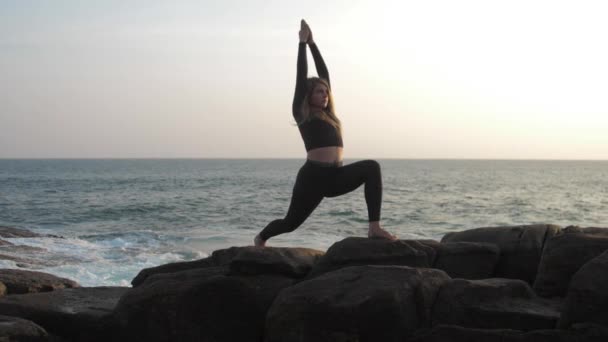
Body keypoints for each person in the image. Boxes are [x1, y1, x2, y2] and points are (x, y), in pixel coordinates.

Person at [254, 19, 397, 247]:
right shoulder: (303, 114)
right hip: (312, 178)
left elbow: (325, 74)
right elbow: (301, 78)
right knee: (290, 223)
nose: (325, 95)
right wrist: (302, 44)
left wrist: (314, 43)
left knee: (372, 168)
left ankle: (374, 227)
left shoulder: (330, 114)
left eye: (326, 92)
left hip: (335, 177)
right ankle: (261, 238)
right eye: (319, 92)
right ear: (308, 96)